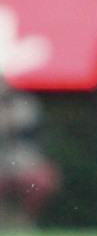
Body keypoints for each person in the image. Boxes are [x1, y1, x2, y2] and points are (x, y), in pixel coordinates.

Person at [0, 73, 61, 228]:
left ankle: (24, 222)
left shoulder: (24, 104)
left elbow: (27, 132)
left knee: (41, 181)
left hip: (23, 159)